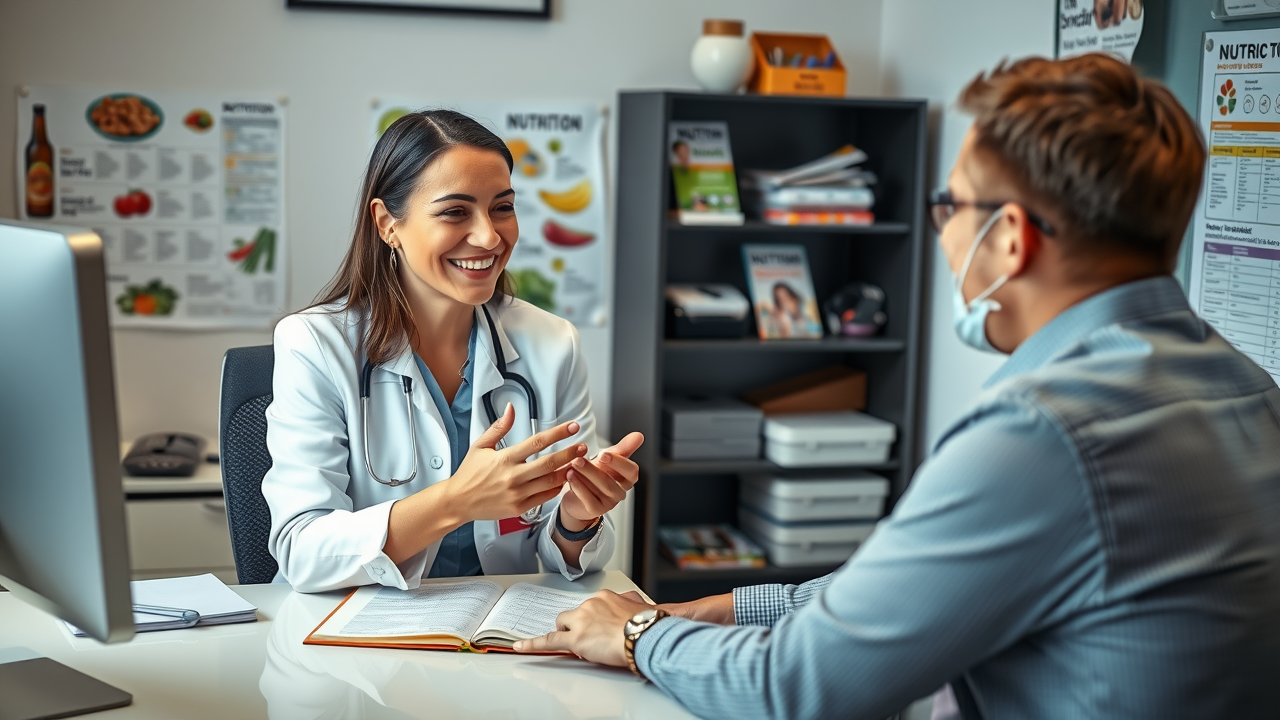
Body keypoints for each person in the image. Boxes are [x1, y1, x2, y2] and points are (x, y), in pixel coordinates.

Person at [514, 54, 1280, 719]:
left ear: (1010, 239)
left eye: (951, 207)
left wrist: (638, 634)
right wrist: (734, 605)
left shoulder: (1042, 432)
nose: (945, 234)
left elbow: (796, 690)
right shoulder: (1249, 389)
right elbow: (923, 586)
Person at [263, 110, 643, 593]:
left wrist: (575, 519)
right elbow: (302, 550)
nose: (489, 236)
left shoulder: (553, 344)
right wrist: (456, 502)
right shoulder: (314, 344)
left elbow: (564, 557)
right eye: (454, 212)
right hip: (354, 624)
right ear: (387, 223)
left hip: (496, 623)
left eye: (502, 208)